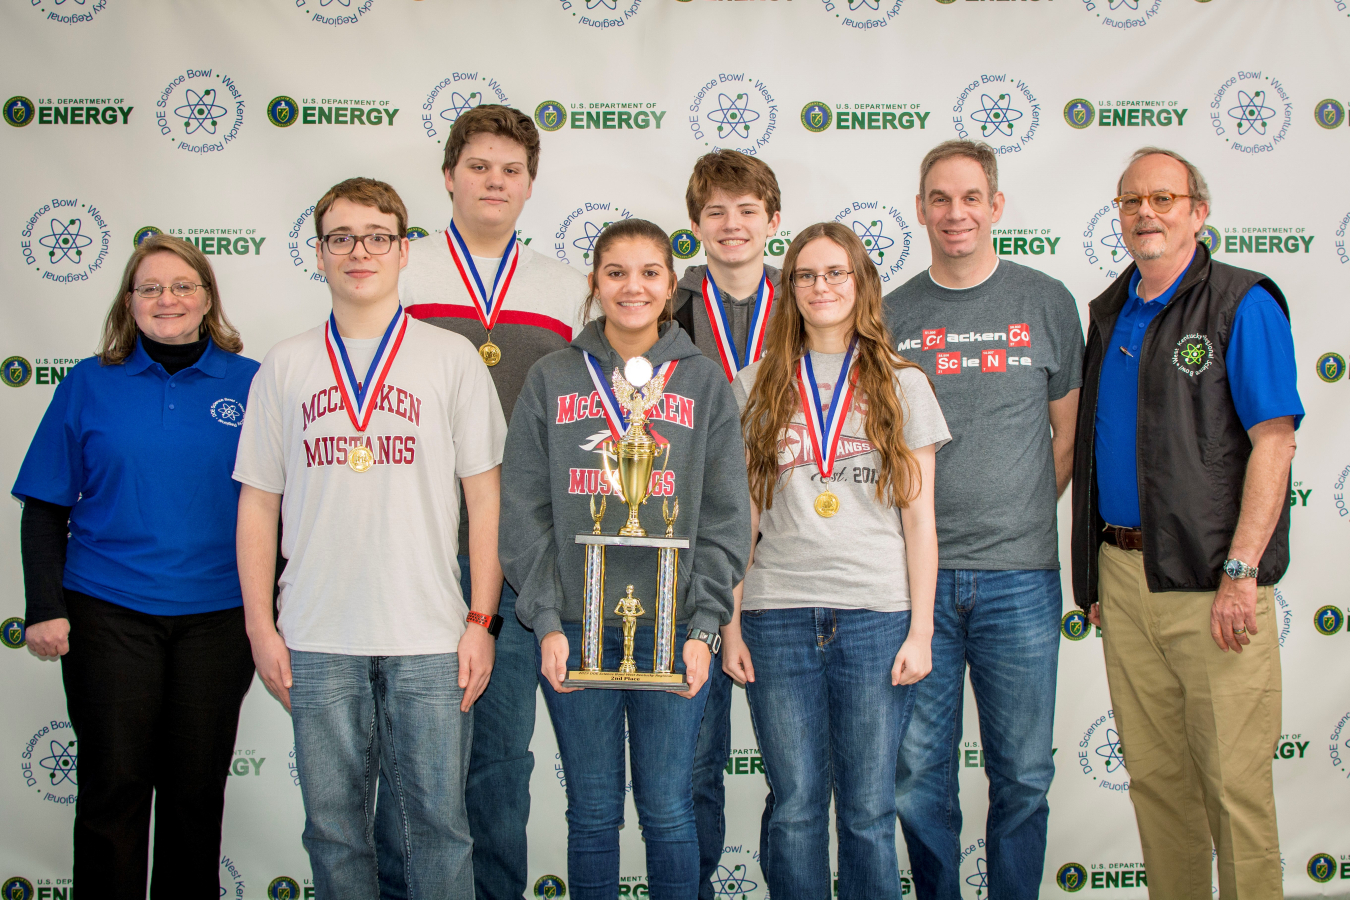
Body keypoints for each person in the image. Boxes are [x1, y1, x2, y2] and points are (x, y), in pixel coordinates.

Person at [235, 177, 506, 897]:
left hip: (429, 634)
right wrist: (261, 627)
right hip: (317, 636)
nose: (360, 252)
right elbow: (259, 505)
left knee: (439, 828)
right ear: (318, 254)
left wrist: (482, 621)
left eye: (378, 237)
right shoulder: (284, 365)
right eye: (341, 238)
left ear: (403, 250)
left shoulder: (449, 359)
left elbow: (486, 503)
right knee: (333, 829)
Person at [1071, 148, 1302, 899]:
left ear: (1198, 212)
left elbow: (1275, 441)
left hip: (1213, 585)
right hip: (1125, 578)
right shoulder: (1109, 311)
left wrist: (1241, 572)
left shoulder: (1243, 303)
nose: (1146, 212)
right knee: (1159, 786)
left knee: (1233, 790)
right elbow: (1103, 449)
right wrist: (1095, 575)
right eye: (1131, 200)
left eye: (1164, 198)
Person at [500, 218, 751, 900]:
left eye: (649, 273)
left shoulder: (702, 383)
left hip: (672, 629)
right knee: (593, 815)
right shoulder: (553, 376)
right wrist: (548, 617)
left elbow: (728, 516)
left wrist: (702, 626)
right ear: (595, 283)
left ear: (672, 285)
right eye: (616, 272)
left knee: (669, 811)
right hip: (575, 626)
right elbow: (522, 506)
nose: (632, 286)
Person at [13, 235, 259, 899]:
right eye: (150, 288)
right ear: (130, 302)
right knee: (113, 786)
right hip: (107, 612)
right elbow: (43, 508)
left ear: (207, 298)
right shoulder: (89, 382)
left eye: (182, 285)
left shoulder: (255, 383)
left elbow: (281, 510)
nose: (167, 299)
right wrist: (44, 606)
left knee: (194, 791)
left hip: (219, 618)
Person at [883, 140, 1084, 900]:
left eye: (971, 197)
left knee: (1024, 778)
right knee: (917, 780)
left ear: (997, 206)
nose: (955, 213)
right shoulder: (892, 313)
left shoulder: (1045, 301)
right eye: (940, 198)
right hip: (915, 587)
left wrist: (1020, 510)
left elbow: (1065, 435)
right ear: (921, 210)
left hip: (1021, 581)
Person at [722, 221, 946, 899]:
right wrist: (729, 624)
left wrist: (922, 630)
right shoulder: (754, 383)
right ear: (790, 289)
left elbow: (920, 520)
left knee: (870, 809)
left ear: (861, 284)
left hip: (877, 615)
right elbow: (744, 518)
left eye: (836, 273)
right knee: (793, 804)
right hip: (777, 614)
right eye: (806, 275)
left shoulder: (903, 385)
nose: (821, 287)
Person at [399, 102, 587, 900]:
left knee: (503, 762)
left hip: (514, 558)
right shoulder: (399, 268)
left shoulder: (568, 286)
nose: (494, 181)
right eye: (478, 166)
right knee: (408, 761)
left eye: (511, 170)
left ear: (531, 185)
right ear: (448, 177)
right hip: (411, 548)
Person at [670, 147, 784, 899]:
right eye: (716, 212)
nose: (732, 225)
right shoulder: (665, 311)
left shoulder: (814, 301)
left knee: (798, 775)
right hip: (692, 569)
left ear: (774, 221)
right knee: (692, 768)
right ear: (695, 226)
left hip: (791, 567)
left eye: (748, 211)